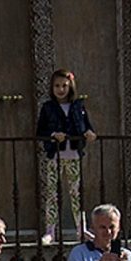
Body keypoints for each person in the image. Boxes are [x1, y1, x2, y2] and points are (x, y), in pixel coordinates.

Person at [35, 69, 97, 245]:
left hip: (74, 154)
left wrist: (89, 133)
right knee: (52, 193)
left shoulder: (78, 106)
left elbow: (86, 126)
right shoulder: (48, 108)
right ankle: (50, 231)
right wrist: (53, 135)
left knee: (76, 193)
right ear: (52, 87)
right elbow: (41, 131)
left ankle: (81, 229)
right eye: (57, 86)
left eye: (64, 86)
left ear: (70, 87)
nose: (60, 89)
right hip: (55, 155)